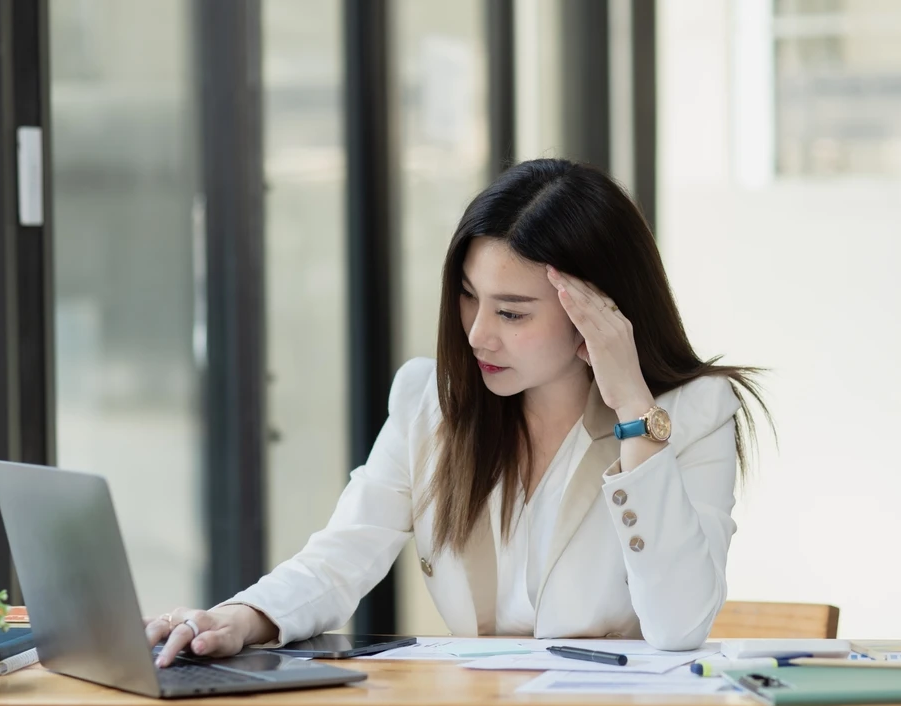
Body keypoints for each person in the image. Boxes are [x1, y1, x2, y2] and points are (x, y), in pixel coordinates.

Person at [148, 158, 769, 666]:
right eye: (470, 299)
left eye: (513, 312)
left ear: (598, 311)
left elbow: (680, 624)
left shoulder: (689, 412)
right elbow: (340, 556)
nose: (476, 335)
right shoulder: (429, 403)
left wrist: (633, 408)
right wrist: (242, 617)